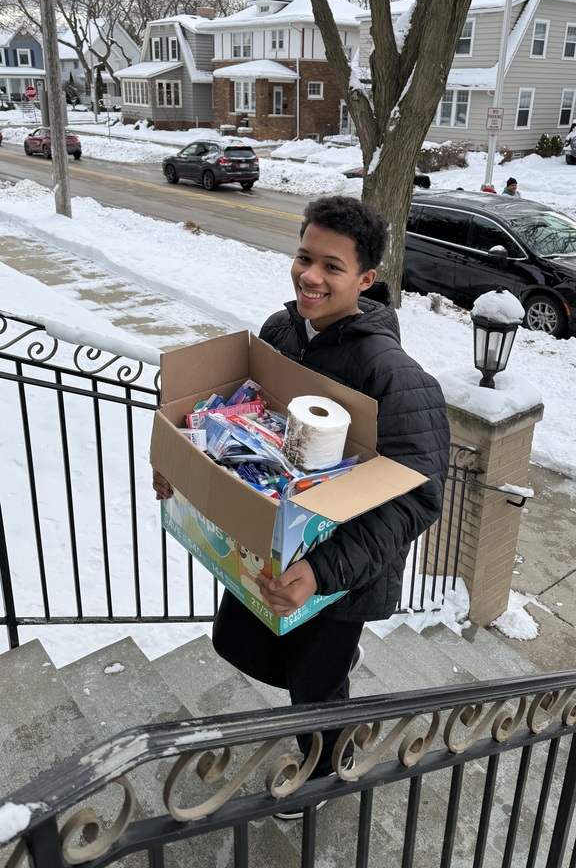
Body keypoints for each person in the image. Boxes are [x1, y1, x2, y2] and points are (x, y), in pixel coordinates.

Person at [153, 196, 450, 818]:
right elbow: (236, 427)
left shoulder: (395, 378)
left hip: (342, 575)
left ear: (365, 280)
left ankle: (322, 768)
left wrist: (323, 572)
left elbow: (418, 499)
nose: (309, 276)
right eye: (303, 256)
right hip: (269, 547)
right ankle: (334, 684)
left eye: (332, 267)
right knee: (239, 644)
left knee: (314, 691)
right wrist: (181, 470)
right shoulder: (280, 333)